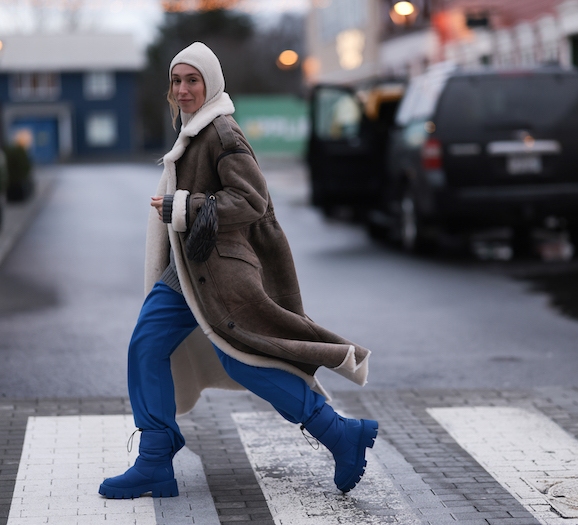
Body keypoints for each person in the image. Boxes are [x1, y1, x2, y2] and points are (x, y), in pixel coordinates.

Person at [98, 42, 377, 500]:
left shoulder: (222, 132)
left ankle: (340, 434)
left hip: (222, 269)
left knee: (242, 359)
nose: (183, 89)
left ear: (211, 84)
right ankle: (154, 460)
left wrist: (184, 206)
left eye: (193, 80)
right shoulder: (193, 129)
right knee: (147, 346)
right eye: (177, 80)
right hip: (189, 269)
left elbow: (253, 201)